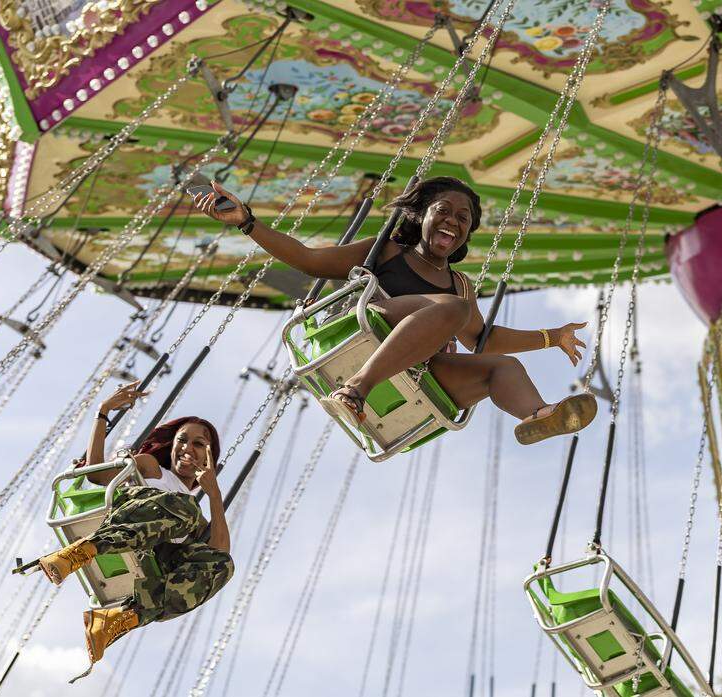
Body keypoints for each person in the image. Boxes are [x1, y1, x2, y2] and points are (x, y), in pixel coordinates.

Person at [192, 176, 597, 445]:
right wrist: (248, 223)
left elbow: (483, 339)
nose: (452, 222)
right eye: (443, 211)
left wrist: (551, 338)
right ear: (420, 215)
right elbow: (308, 259)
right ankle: (354, 390)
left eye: (463, 218)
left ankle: (539, 414)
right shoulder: (387, 251)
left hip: (419, 367)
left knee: (502, 366)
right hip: (366, 330)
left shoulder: (459, 286)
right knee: (452, 310)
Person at [34, 381, 234, 680]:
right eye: (183, 440)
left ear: (209, 456)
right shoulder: (152, 467)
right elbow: (99, 475)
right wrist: (102, 413)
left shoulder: (198, 516)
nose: (187, 448)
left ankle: (121, 618)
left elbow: (219, 555)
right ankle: (80, 552)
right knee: (186, 509)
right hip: (123, 523)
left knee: (223, 565)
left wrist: (215, 497)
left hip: (149, 560)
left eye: (198, 443)